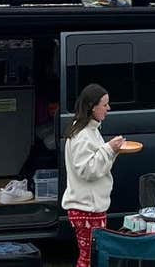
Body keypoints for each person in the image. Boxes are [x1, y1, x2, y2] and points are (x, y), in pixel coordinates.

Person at [62, 83, 125, 267]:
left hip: (91, 208)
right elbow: (87, 170)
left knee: (93, 258)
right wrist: (109, 149)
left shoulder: (91, 130)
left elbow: (99, 165)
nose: (108, 109)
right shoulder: (82, 135)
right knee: (90, 260)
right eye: (105, 105)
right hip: (85, 209)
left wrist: (112, 151)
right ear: (92, 106)